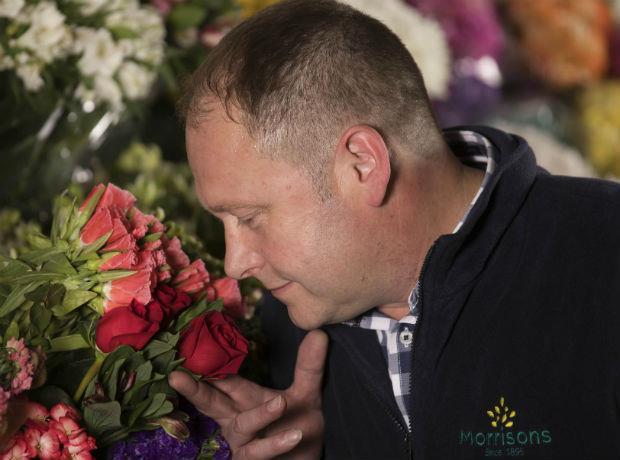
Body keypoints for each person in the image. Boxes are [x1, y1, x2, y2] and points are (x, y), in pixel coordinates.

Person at [168, 0, 620, 458]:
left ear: (363, 165)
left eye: (249, 218)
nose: (235, 263)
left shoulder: (605, 257)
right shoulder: (283, 327)